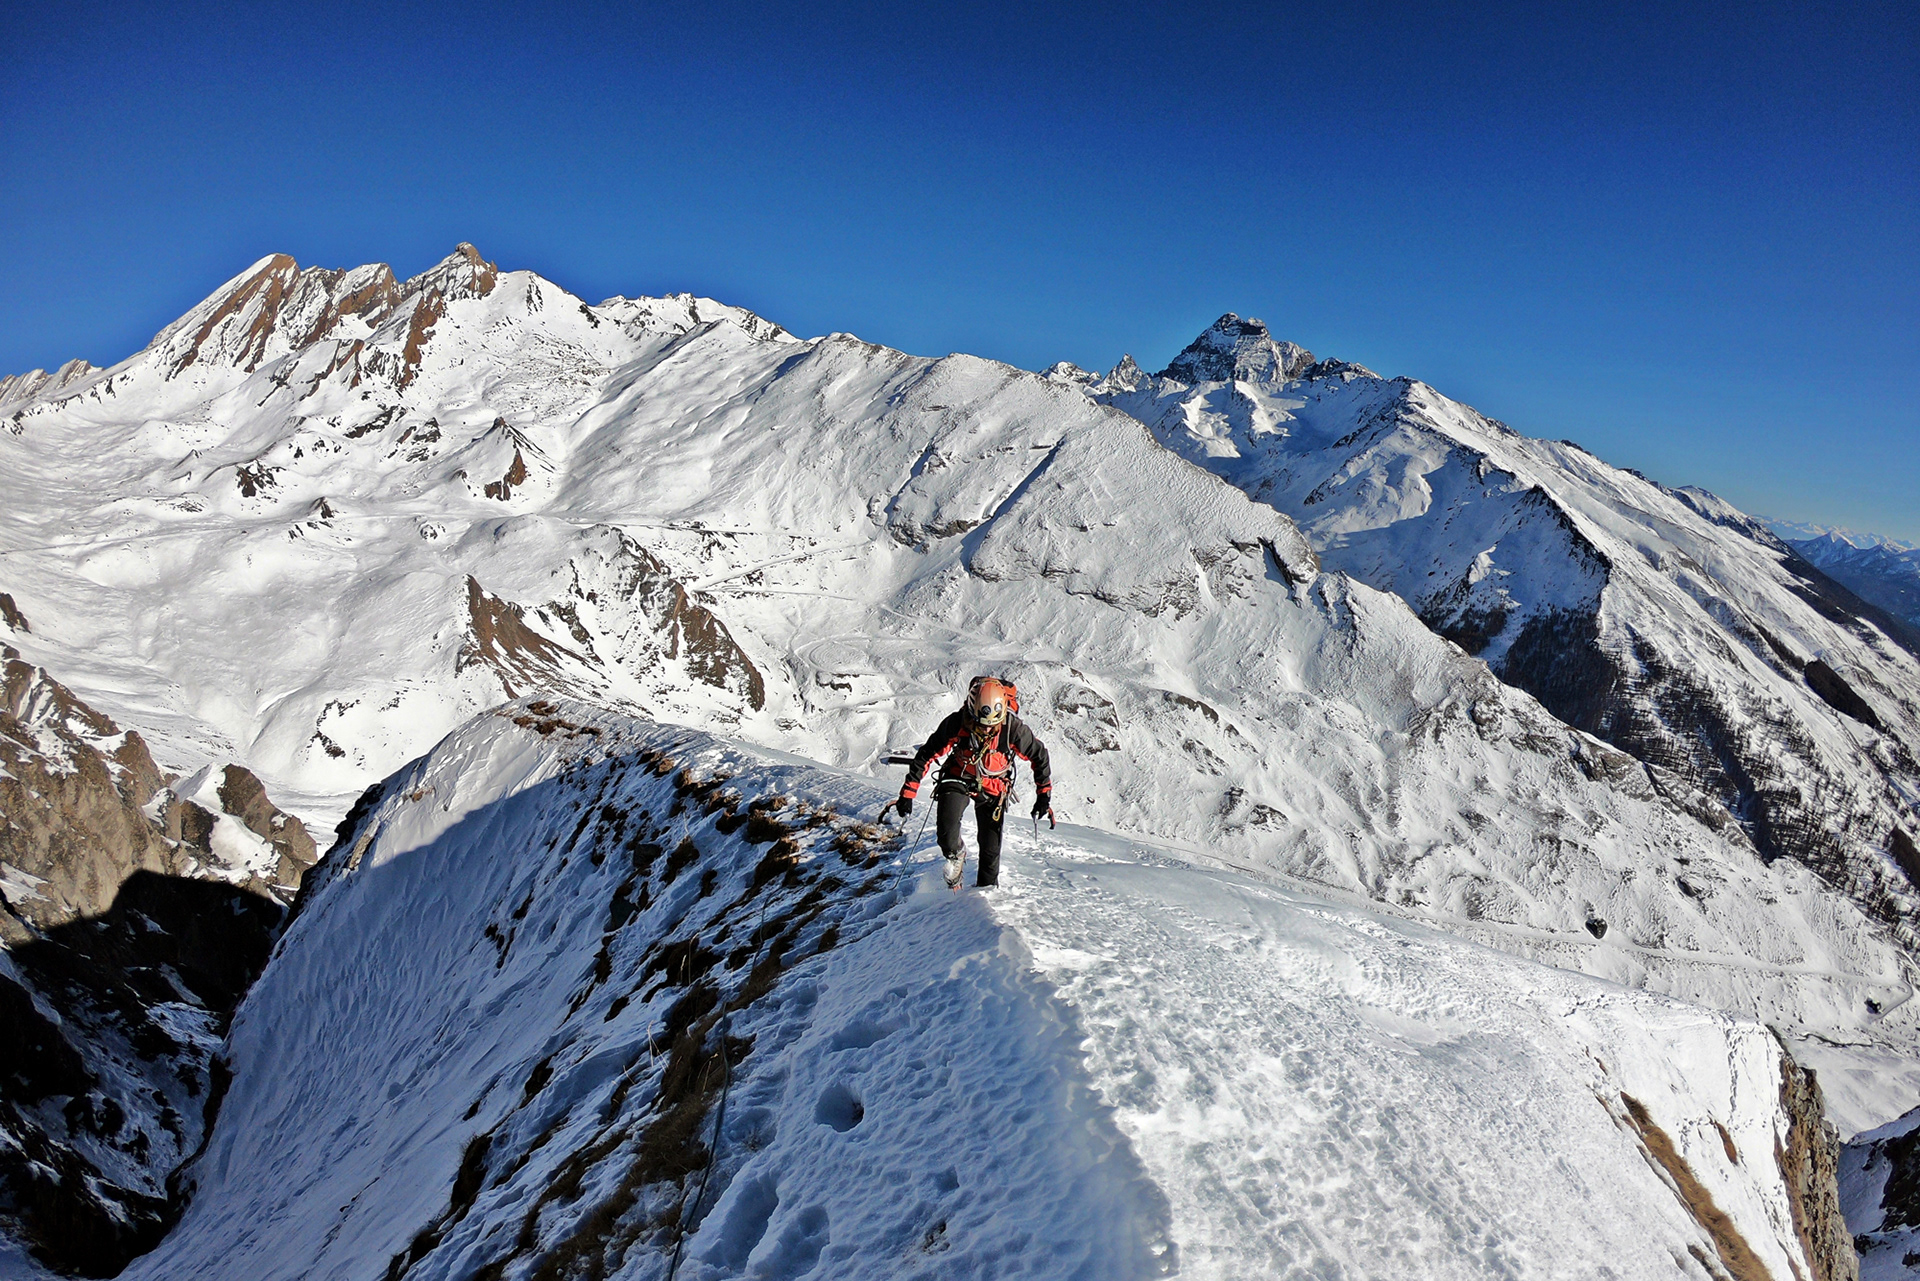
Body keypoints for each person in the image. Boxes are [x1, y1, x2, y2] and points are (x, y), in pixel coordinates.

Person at [895, 676, 1053, 888]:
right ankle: (956, 853)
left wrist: (1043, 796)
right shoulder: (958, 722)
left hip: (994, 787)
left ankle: (985, 894)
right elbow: (927, 753)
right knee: (946, 830)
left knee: (990, 850)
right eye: (982, 724)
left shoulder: (1013, 729)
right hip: (959, 775)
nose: (987, 730)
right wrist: (908, 793)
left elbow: (1039, 756)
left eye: (992, 725)